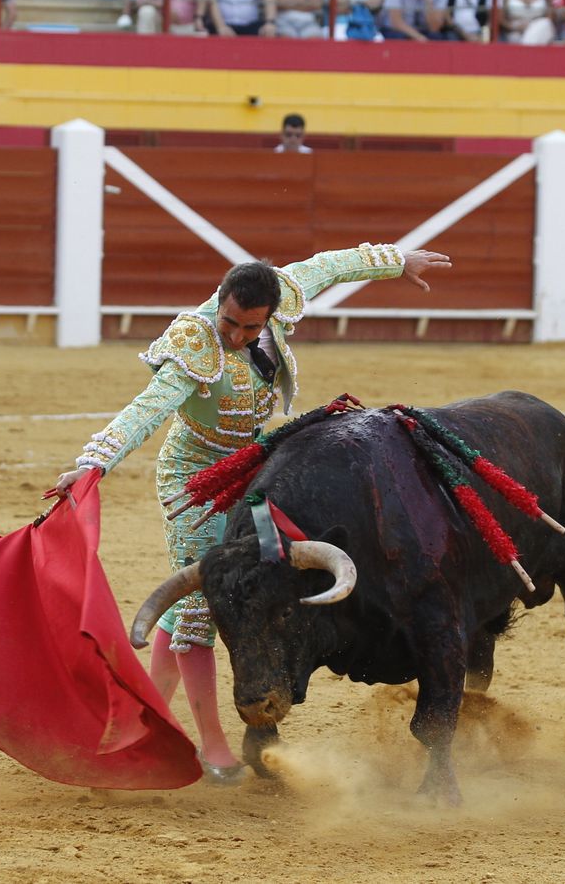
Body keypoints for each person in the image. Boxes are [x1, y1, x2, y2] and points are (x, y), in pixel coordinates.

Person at [51, 246, 452, 782]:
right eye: (229, 323)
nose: (236, 336)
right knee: (198, 610)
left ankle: (136, 725)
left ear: (270, 312)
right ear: (219, 304)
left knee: (244, 591)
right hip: (192, 482)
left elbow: (330, 266)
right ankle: (214, 751)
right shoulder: (195, 341)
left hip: (253, 472)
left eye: (248, 327)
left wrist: (396, 260)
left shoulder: (282, 293)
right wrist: (94, 463)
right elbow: (148, 409)